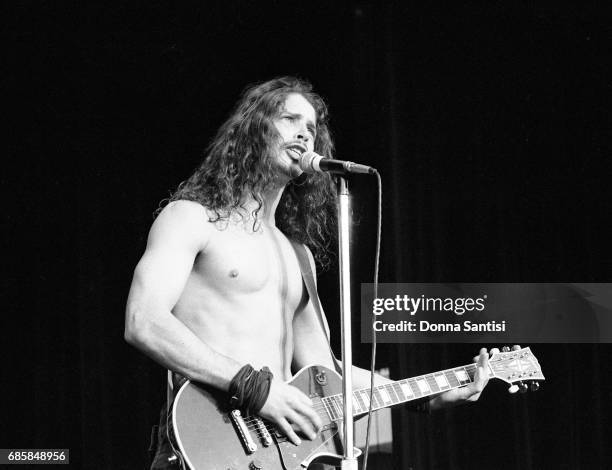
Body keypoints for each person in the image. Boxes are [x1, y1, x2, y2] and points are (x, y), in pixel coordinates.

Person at [124, 76, 491, 469]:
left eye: (311, 128)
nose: (303, 133)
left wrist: (427, 394)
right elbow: (143, 321)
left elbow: (325, 374)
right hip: (210, 440)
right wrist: (255, 389)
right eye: (289, 119)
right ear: (254, 130)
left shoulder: (297, 255)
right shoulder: (192, 218)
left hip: (278, 456)